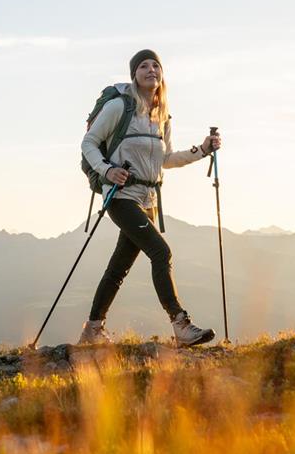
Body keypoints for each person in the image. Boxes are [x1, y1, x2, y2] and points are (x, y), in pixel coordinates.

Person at [79, 49, 221, 346]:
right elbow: (89, 142)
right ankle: (180, 324)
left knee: (119, 267)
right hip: (120, 196)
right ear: (134, 74)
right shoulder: (120, 107)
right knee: (161, 252)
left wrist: (203, 150)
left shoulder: (161, 116)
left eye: (156, 65)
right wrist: (107, 171)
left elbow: (166, 159)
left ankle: (92, 330)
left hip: (149, 199)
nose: (151, 69)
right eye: (143, 65)